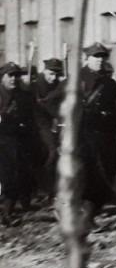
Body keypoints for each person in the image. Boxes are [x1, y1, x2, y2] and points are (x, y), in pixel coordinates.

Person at [43, 43, 116, 233]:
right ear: (86, 59)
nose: (100, 60)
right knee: (83, 176)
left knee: (105, 177)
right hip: (80, 135)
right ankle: (71, 211)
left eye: (103, 56)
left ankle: (89, 215)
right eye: (96, 57)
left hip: (104, 136)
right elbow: (51, 102)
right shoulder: (75, 79)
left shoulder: (110, 83)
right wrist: (68, 115)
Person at [0, 63, 39, 224]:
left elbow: (33, 119)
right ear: (2, 77)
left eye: (17, 75)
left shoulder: (25, 96)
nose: (14, 79)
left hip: (16, 142)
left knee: (14, 177)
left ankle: (8, 214)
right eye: (10, 75)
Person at [30, 58, 64, 201]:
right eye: (51, 73)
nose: (54, 77)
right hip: (35, 125)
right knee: (46, 154)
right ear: (44, 71)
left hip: (51, 124)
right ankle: (41, 189)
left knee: (53, 153)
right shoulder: (35, 86)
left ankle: (49, 189)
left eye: (57, 74)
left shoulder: (58, 85)